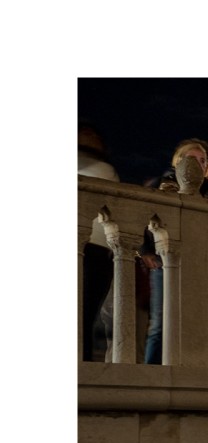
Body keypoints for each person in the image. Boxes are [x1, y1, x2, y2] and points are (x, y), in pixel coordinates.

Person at [141, 138, 208, 364]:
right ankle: (153, 372)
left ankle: (194, 371)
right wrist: (205, 181)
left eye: (204, 159)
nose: (200, 163)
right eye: (193, 159)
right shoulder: (168, 183)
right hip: (170, 259)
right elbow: (183, 207)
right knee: (163, 322)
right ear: (179, 162)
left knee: (204, 322)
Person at [79, 123, 118, 360]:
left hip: (97, 249)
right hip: (87, 246)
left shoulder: (106, 170)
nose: (88, 138)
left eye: (93, 134)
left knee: (85, 313)